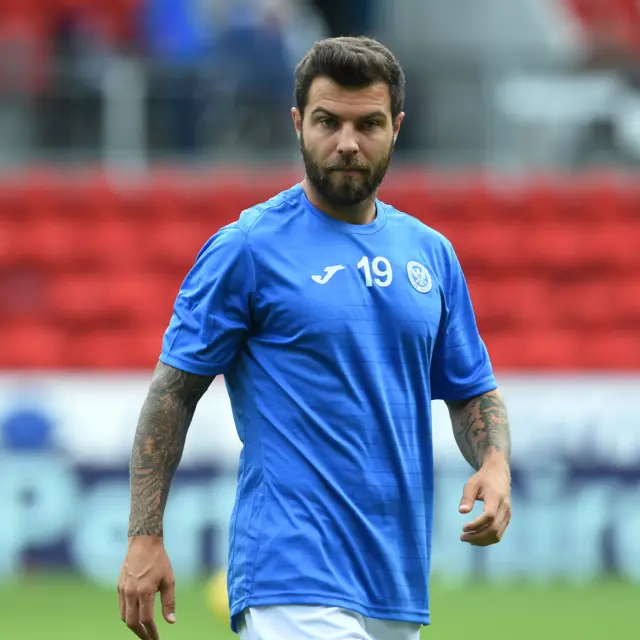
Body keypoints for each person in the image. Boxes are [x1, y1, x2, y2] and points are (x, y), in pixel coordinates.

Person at [117, 36, 512, 640]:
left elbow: (470, 390)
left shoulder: (431, 255)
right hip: (289, 573)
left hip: (396, 579)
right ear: (299, 123)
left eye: (368, 124)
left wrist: (493, 460)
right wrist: (145, 536)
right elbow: (172, 393)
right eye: (328, 121)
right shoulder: (246, 248)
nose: (347, 143)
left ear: (397, 127)